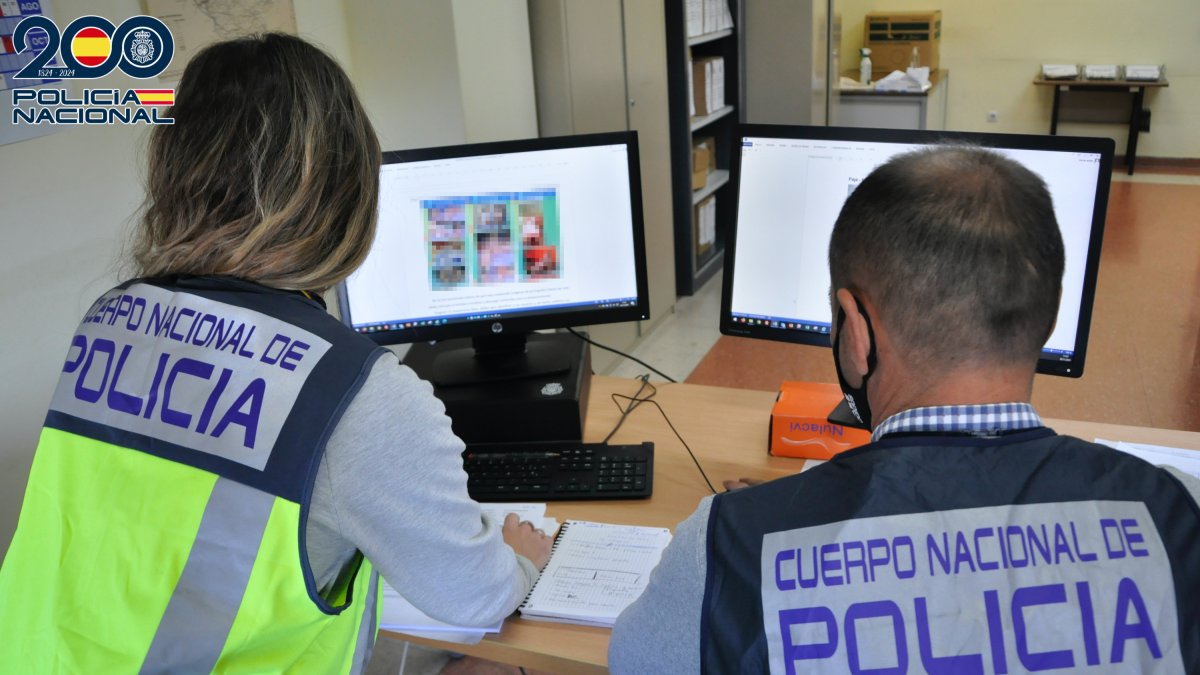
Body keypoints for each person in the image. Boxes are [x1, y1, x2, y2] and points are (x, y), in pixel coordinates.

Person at [0, 33, 552, 673]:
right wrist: (521, 559)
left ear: (176, 172)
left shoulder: (112, 317)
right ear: (344, 190)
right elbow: (474, 595)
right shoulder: (354, 392)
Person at [609, 146, 1200, 673]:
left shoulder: (727, 544)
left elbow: (634, 660)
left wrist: (784, 506)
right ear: (1046, 318)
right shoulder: (1178, 511)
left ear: (857, 331)